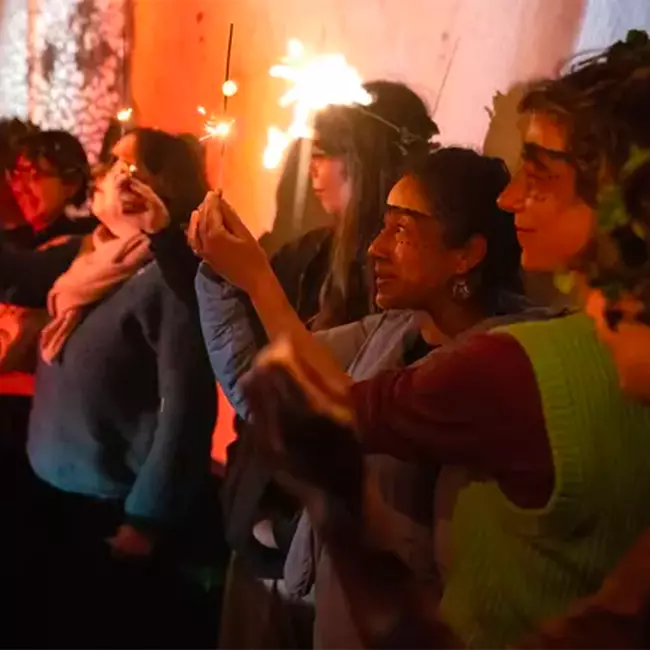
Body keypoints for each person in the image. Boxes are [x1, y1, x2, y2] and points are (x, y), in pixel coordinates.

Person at [191, 31, 650, 649]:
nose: (512, 196)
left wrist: (334, 502)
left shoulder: (511, 364)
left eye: (537, 174)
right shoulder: (407, 330)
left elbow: (330, 407)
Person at [194, 146, 544, 647]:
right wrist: (221, 275)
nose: (376, 248)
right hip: (337, 612)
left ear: (466, 253)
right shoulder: (391, 330)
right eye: (382, 226)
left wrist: (256, 278)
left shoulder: (493, 364)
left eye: (402, 230)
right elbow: (274, 387)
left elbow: (336, 404)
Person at [213, 81, 438, 648]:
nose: (313, 166)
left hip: (324, 546)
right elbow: (252, 367)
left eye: (329, 151)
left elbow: (313, 391)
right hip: (270, 517)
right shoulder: (311, 250)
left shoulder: (396, 287)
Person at [3, 127, 216, 647]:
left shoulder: (164, 279)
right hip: (56, 492)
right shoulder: (95, 257)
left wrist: (148, 516)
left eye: (120, 164)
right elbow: (21, 270)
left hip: (112, 512)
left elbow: (186, 408)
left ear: (153, 188)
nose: (100, 174)